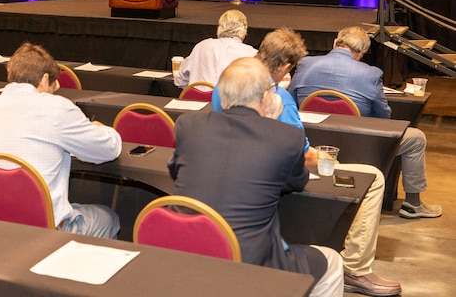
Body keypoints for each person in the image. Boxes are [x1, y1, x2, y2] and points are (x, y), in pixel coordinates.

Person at [214, 29, 400, 296]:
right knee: (372, 176)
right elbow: (302, 156)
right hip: (274, 180)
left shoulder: (226, 83)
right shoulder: (278, 98)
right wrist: (328, 156)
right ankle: (355, 269)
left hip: (233, 180)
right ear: (287, 67)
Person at [169, 57, 343, 296]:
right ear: (265, 97)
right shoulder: (287, 138)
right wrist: (271, 122)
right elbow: (297, 180)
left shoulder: (188, 125)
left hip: (184, 249)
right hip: (250, 261)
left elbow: (175, 170)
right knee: (332, 261)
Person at [0, 42, 122, 238]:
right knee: (109, 218)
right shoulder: (56, 108)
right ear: (44, 79)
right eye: (54, 82)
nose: (56, 87)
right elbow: (109, 149)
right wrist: (101, 128)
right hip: (43, 230)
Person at [289, 26, 441, 220]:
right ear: (361, 54)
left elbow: (292, 100)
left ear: (335, 42)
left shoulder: (305, 63)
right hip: (358, 144)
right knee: (417, 138)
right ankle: (413, 204)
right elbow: (384, 116)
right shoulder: (371, 74)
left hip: (311, 141)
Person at [173, 8, 256, 88]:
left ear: (219, 28)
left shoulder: (201, 46)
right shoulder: (252, 54)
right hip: (228, 101)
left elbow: (179, 80)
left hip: (196, 101)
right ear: (243, 31)